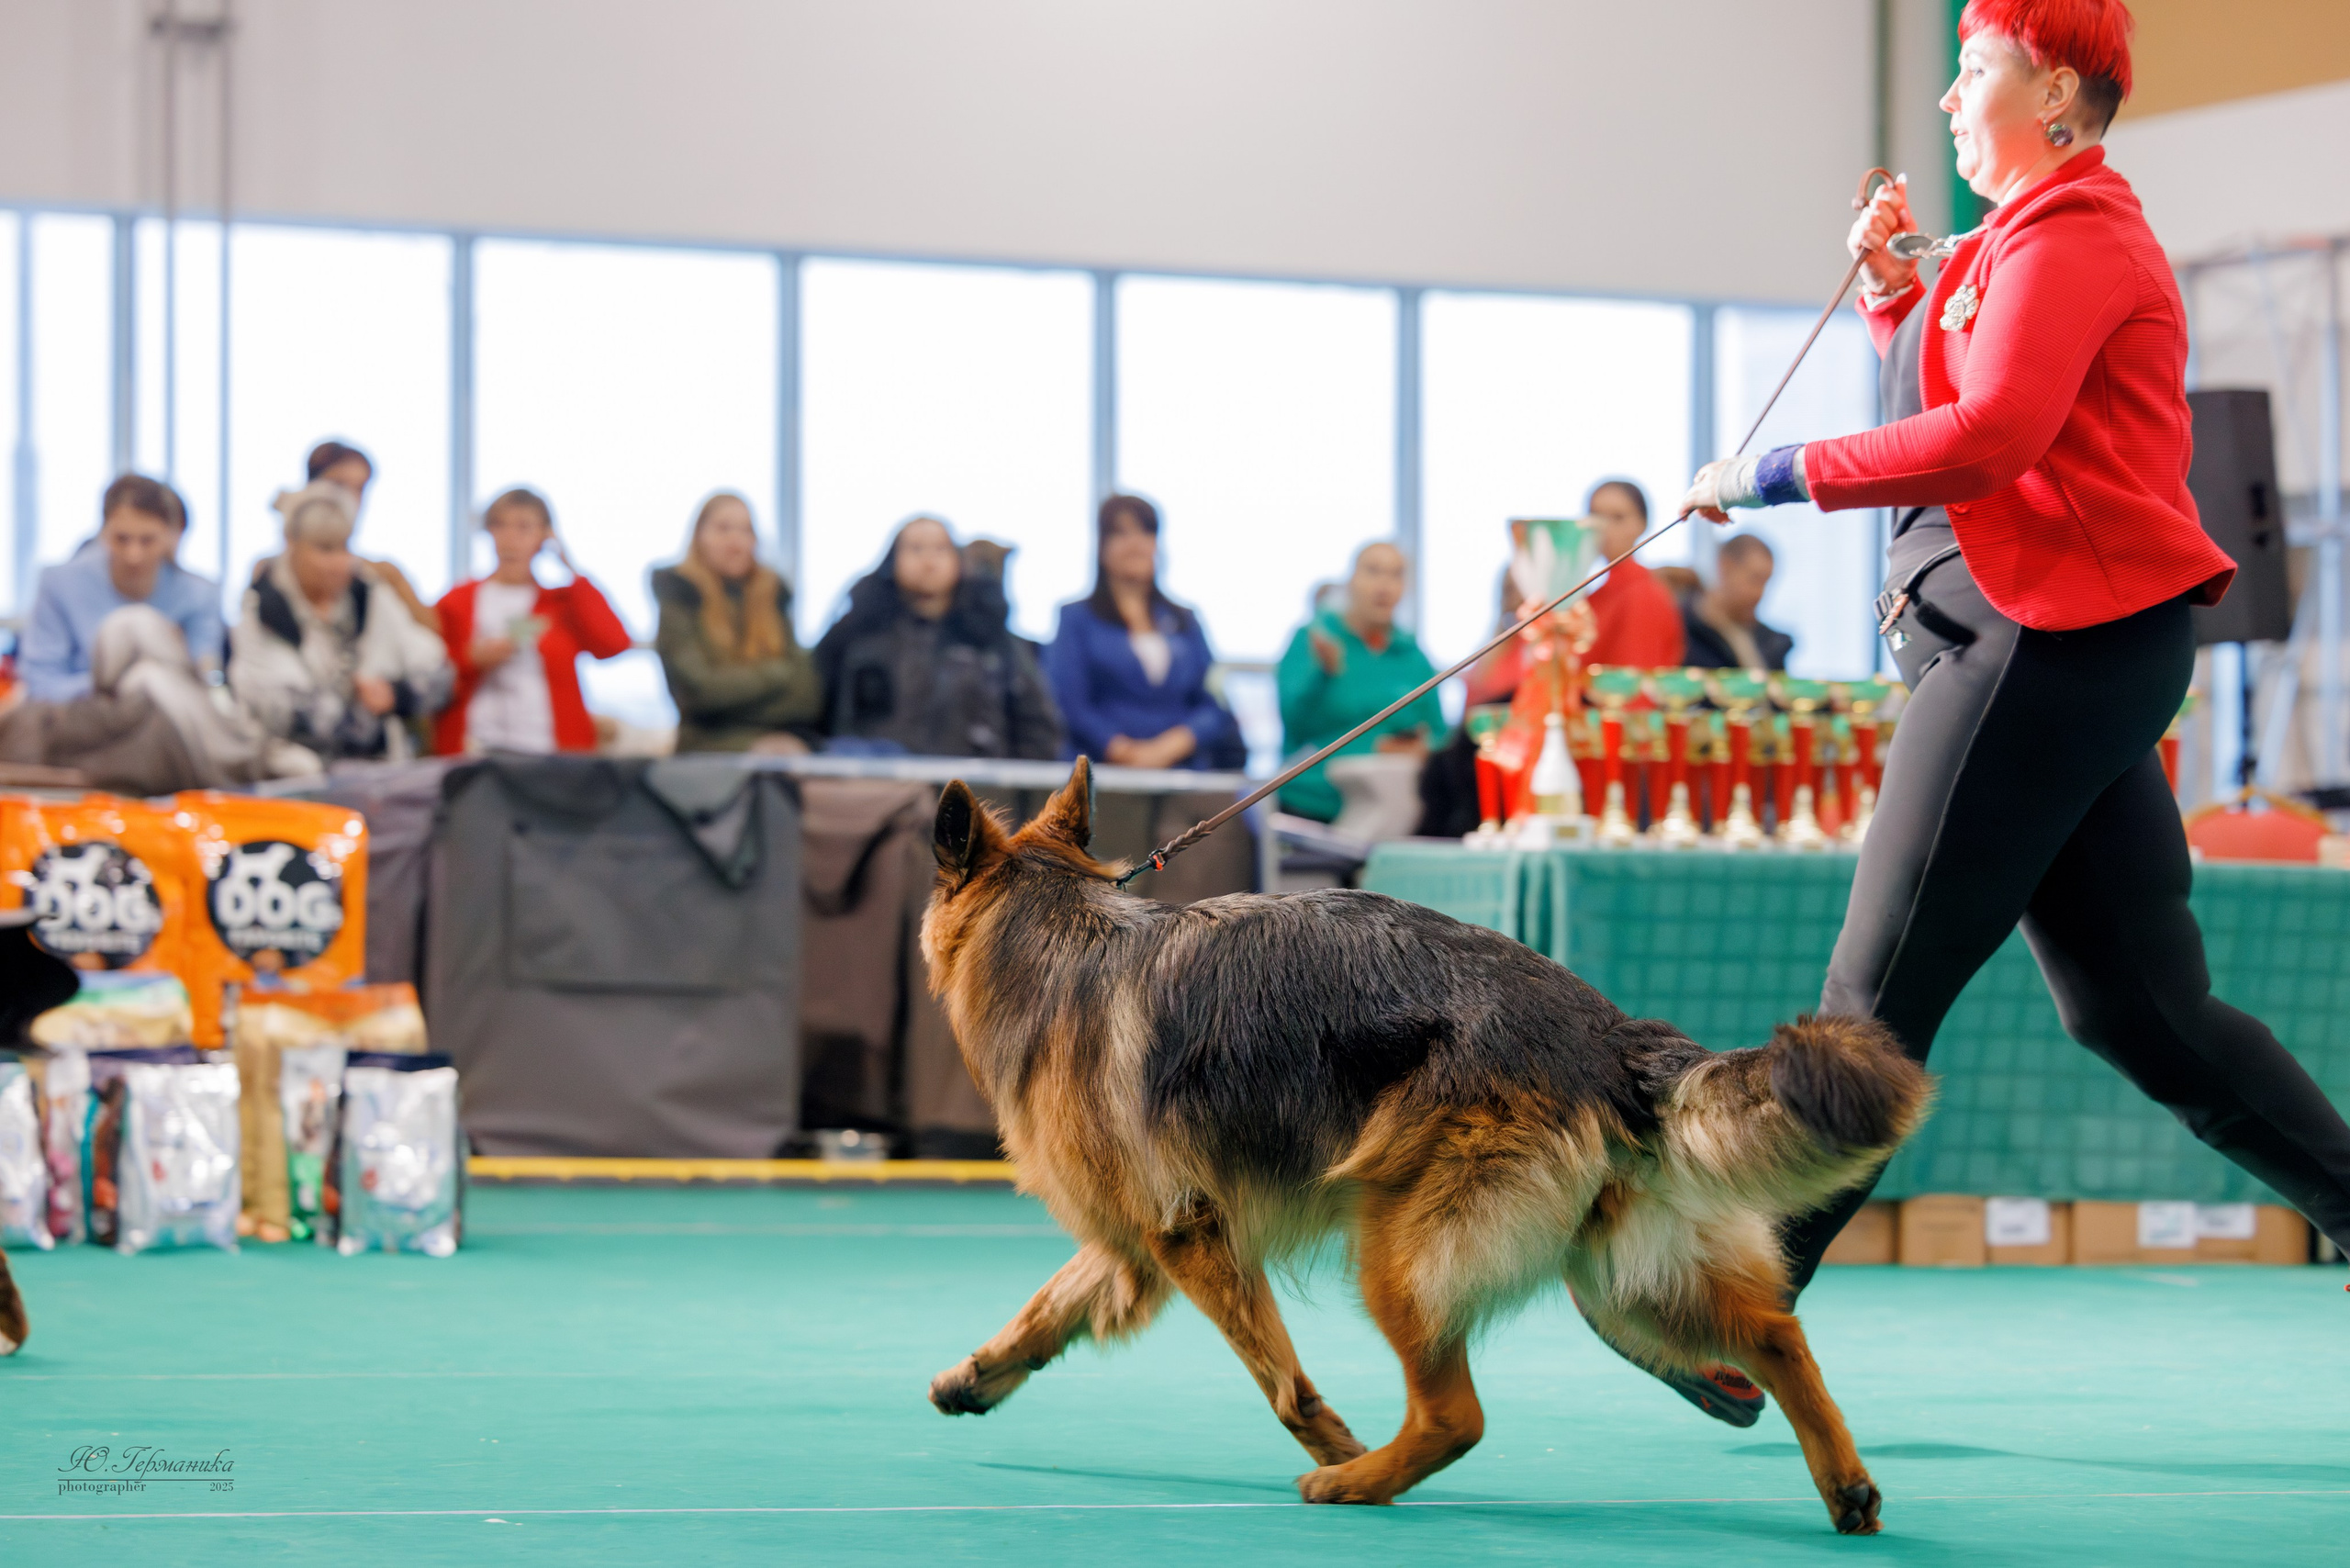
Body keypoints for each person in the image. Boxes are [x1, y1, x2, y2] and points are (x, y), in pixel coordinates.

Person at [1656, 0, 2350, 1426]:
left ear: (2057, 92)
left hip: (2045, 645)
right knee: (2144, 1015)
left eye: (1973, 71)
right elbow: (1950, 368)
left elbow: (1995, 435)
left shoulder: (2079, 236)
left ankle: (1731, 1317)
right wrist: (1896, 293)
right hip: (2058, 648)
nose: (1951, 99)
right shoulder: (2008, 242)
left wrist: (1771, 473)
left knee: (1874, 997)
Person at [229, 481, 453, 763]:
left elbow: (441, 674)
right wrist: (363, 709)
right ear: (291, 544)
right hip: (291, 773)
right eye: (324, 549)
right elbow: (282, 713)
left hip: (378, 773)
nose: (339, 562)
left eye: (344, 547)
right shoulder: (261, 611)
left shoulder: (371, 596)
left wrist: (396, 694)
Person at [813, 515, 1062, 759]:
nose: (928, 561)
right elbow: (817, 711)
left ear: (959, 561)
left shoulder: (991, 641)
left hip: (973, 792)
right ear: (893, 559)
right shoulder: (856, 637)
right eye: (915, 549)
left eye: (941, 549)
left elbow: (1037, 728)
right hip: (878, 791)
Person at [433, 487, 632, 756]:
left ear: (545, 536)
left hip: (551, 752)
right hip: (476, 747)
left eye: (523, 527)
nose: (509, 538)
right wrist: (470, 660)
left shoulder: (561, 603)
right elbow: (430, 669)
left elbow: (614, 643)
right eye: (499, 525)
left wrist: (571, 570)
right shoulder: (457, 600)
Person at [1046, 495, 1237, 770]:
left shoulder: (1186, 620)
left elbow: (1214, 701)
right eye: (1121, 533)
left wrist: (1174, 745)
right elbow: (1069, 703)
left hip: (1182, 771)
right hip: (1102, 773)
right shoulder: (1076, 618)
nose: (1135, 543)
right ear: (1102, 546)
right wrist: (1123, 751)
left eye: (1146, 531)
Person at [1275, 541, 1444, 823]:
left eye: (1396, 574)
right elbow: (1293, 724)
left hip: (1393, 807)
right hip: (1314, 804)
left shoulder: (1414, 657)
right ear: (1351, 581)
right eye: (1373, 571)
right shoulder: (1314, 639)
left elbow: (1439, 734)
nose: (1384, 585)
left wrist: (1419, 749)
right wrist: (1322, 675)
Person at [20, 475, 223, 702]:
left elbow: (204, 682)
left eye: (147, 540)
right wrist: (120, 685)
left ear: (171, 537)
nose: (133, 555)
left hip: (165, 724)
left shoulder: (199, 594)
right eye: (122, 539)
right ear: (104, 532)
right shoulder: (59, 584)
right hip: (80, 720)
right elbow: (40, 684)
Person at [651, 492, 822, 753]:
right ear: (699, 536)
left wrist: (732, 700)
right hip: (707, 750)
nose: (736, 541)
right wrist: (776, 673)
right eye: (723, 529)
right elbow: (700, 693)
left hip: (780, 742)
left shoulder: (772, 598)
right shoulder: (681, 600)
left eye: (746, 530)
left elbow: (805, 696)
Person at [301, 440, 442, 636]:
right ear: (311, 488)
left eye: (360, 488)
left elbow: (433, 639)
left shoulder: (383, 575)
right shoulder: (270, 573)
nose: (349, 498)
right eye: (338, 485)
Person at [1581, 480, 1685, 668]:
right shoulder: (1597, 594)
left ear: (1642, 525)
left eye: (1618, 517)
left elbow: (1636, 686)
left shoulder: (1643, 595)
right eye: (1595, 515)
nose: (1603, 527)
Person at [1680, 533, 1793, 672]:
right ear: (1725, 567)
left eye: (1766, 582)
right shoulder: (1683, 630)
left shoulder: (1772, 642)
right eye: (1754, 579)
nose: (1759, 593)